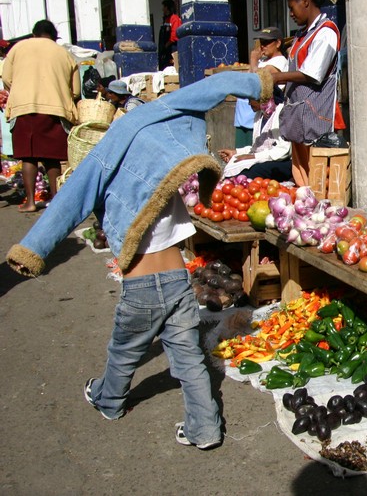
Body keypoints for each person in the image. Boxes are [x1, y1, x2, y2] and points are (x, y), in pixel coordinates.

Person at [6, 68, 274, 450]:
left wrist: (31, 250)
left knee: (125, 348)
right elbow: (206, 89)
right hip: (178, 279)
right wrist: (262, 81)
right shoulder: (153, 124)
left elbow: (68, 203)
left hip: (143, 286)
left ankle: (108, 399)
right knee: (187, 358)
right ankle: (205, 429)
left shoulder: (104, 157)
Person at [3, 20, 80, 211]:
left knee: (28, 157)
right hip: (54, 109)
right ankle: (56, 201)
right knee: (52, 157)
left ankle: (30, 202)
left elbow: (6, 78)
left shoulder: (17, 48)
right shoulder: (65, 54)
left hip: (23, 108)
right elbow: (76, 91)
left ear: (34, 34)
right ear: (54, 37)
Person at [271, 0, 341, 187]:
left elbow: (313, 73)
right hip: (298, 119)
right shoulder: (301, 35)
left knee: (318, 180)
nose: (291, 14)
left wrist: (276, 77)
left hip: (316, 116)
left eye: (292, 8)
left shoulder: (326, 32)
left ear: (305, 0)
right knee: (301, 178)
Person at [232, 27, 288, 149]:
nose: (263, 46)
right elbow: (246, 83)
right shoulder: (263, 61)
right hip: (246, 116)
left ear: (278, 43)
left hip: (263, 114)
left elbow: (257, 81)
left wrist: (253, 60)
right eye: (261, 43)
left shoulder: (279, 61)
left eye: (267, 43)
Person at [159, 0, 181, 70]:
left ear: (167, 7)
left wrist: (167, 45)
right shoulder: (165, 20)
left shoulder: (174, 18)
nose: (162, 9)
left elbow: (174, 35)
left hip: (172, 47)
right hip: (165, 49)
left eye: (164, 7)